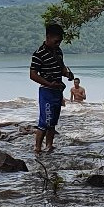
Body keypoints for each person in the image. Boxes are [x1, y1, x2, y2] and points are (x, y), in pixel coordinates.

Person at [30, 22, 73, 153]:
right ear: (48, 37)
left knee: (53, 121)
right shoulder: (39, 54)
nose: (58, 44)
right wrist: (49, 83)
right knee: (45, 121)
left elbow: (61, 67)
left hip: (57, 91)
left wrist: (67, 73)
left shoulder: (58, 51)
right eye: (56, 41)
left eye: (59, 42)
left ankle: (49, 146)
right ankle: (37, 148)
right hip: (47, 91)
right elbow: (32, 75)